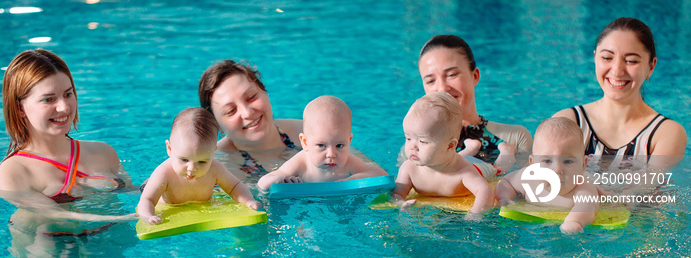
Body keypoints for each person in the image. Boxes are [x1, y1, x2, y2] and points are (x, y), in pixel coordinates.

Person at [0, 49, 137, 258]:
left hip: (109, 243)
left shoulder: (104, 152)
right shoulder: (12, 173)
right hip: (53, 248)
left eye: (68, 94)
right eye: (48, 99)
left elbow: (133, 192)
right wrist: (129, 218)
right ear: (20, 108)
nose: (64, 107)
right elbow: (56, 214)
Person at [552, 17, 686, 171]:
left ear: (651, 67)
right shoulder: (568, 122)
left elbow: (639, 191)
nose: (616, 70)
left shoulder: (665, 134)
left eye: (631, 61)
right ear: (595, 58)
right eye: (607, 58)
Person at [417, 35, 533, 174]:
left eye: (452, 75)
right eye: (430, 81)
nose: (442, 88)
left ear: (475, 76)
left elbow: (528, 190)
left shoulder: (515, 138)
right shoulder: (416, 144)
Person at [138, 107, 262, 225]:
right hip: (161, 198)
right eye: (184, 159)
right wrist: (148, 216)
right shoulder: (164, 173)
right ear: (169, 148)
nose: (192, 168)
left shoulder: (215, 168)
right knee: (148, 189)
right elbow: (147, 200)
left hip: (197, 205)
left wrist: (248, 200)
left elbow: (234, 186)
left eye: (202, 162)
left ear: (213, 152)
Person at [392, 92, 494, 216]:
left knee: (498, 169)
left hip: (476, 165)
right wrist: (400, 203)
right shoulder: (409, 169)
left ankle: (504, 151)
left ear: (451, 145)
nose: (412, 146)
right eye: (408, 138)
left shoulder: (463, 171)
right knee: (451, 155)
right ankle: (471, 147)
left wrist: (474, 215)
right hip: (448, 156)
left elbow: (485, 191)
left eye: (422, 141)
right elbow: (397, 194)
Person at [198, 60, 303, 180]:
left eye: (251, 97)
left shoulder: (309, 132)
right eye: (231, 111)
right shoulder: (214, 169)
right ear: (216, 124)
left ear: (264, 91)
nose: (247, 113)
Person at [257, 96, 387, 190]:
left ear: (349, 141)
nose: (331, 154)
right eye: (321, 145)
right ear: (305, 143)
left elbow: (381, 174)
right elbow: (262, 183)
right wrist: (281, 180)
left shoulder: (348, 162)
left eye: (339, 145)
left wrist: (353, 179)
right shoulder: (301, 162)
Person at [495, 117, 599, 233]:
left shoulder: (582, 187)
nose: (557, 169)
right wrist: (505, 198)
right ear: (532, 164)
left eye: (568, 161)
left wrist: (574, 222)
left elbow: (588, 206)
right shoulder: (529, 179)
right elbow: (506, 182)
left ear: (583, 165)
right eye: (547, 161)